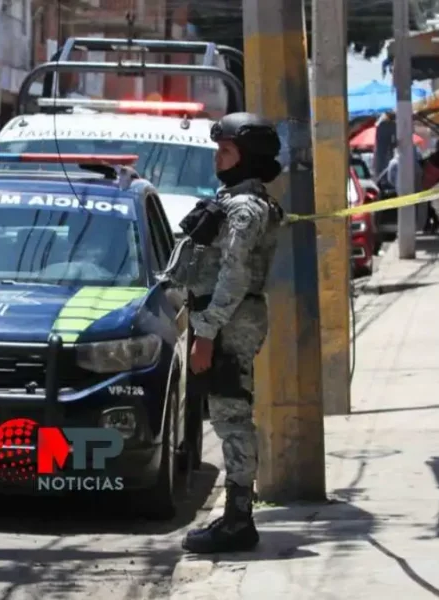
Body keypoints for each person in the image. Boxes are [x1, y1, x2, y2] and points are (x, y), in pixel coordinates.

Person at [163, 112, 284, 554]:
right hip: (218, 318)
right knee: (224, 412)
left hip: (228, 321)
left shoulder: (247, 209)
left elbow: (234, 276)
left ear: (247, 157)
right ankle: (236, 515)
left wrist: (208, 333)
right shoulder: (232, 200)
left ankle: (237, 520)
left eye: (227, 150)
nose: (218, 157)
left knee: (232, 417)